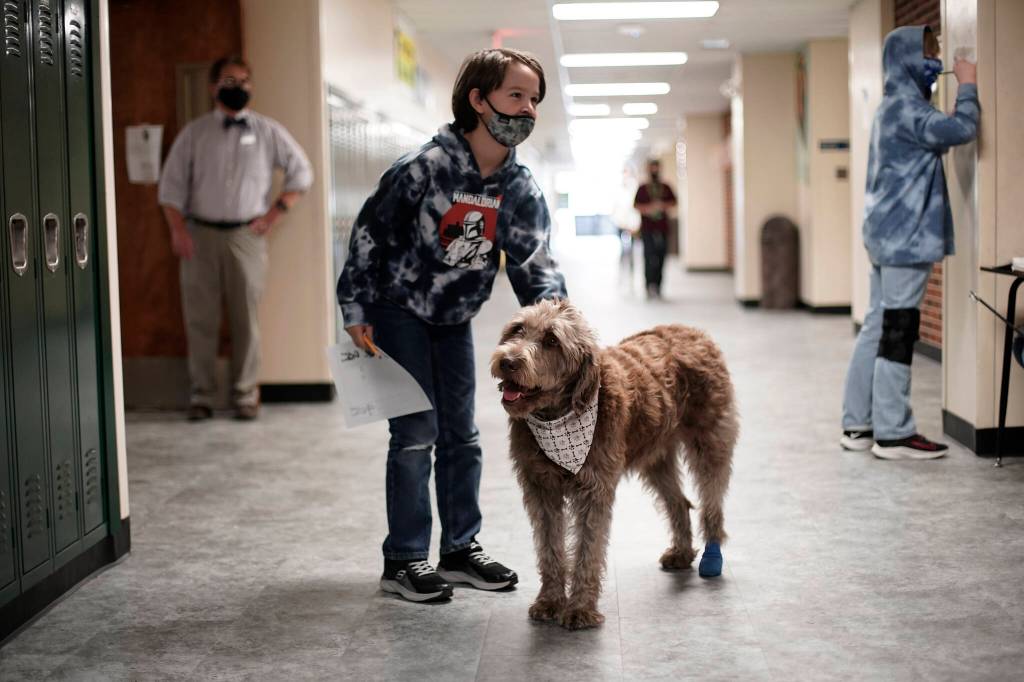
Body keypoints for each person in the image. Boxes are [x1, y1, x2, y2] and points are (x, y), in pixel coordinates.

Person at [337, 48, 567, 603]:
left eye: (534, 99)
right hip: (397, 312)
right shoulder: (422, 169)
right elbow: (370, 237)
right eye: (516, 95)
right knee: (416, 434)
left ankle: (461, 549)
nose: (528, 109)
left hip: (454, 317)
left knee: (462, 435)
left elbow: (536, 267)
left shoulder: (518, 188)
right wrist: (356, 309)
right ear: (478, 99)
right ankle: (405, 559)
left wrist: (563, 334)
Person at [840, 26, 978, 460]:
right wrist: (969, 81)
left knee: (878, 327)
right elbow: (961, 129)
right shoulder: (910, 111)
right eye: (929, 52)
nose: (935, 59)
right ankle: (894, 433)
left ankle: (858, 424)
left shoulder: (891, 108)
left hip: (884, 235)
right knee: (899, 330)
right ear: (908, 60)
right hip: (905, 238)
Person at [159, 56, 313, 422]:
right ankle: (203, 396)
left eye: (245, 80)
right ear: (213, 87)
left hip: (247, 236)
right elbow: (170, 188)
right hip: (200, 235)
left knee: (246, 318)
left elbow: (301, 172)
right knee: (201, 319)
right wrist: (178, 230)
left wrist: (276, 212)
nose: (239, 86)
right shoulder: (194, 134)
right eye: (230, 80)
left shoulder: (267, 131)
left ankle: (245, 395)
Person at [633, 159, 677, 299]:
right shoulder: (643, 188)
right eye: (652, 168)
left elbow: (674, 202)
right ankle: (648, 285)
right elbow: (635, 205)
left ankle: (658, 286)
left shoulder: (665, 187)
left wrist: (662, 206)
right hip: (647, 229)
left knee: (661, 257)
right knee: (648, 256)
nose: (654, 171)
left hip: (662, 228)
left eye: (656, 168)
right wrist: (647, 209)